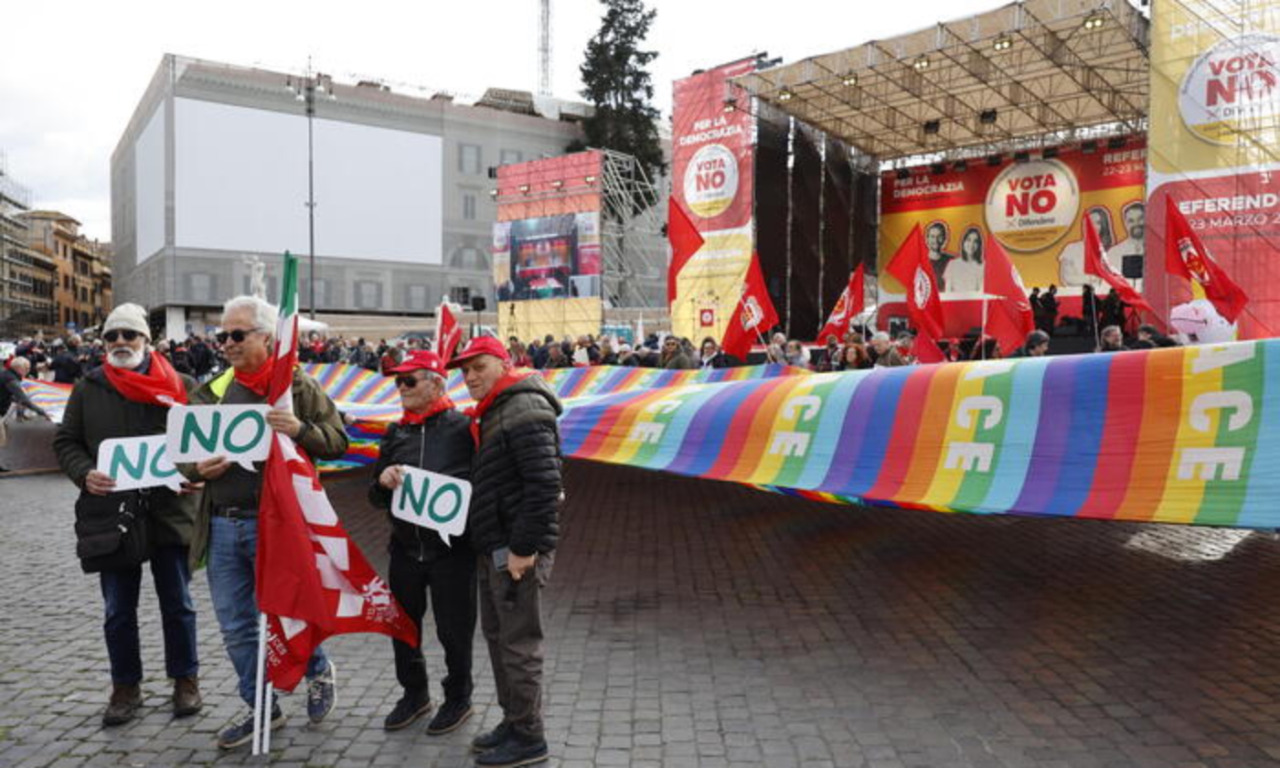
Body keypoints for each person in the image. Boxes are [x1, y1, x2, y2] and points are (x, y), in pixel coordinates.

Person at [182, 295, 349, 750]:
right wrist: (199, 470)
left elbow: (338, 441)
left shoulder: (295, 386)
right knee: (236, 625)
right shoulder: (211, 390)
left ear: (266, 337)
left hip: (278, 523)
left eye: (237, 335)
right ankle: (261, 707)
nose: (227, 344)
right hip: (221, 525)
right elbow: (182, 454)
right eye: (223, 336)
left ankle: (317, 670)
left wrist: (298, 429)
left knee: (290, 610)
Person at [52, 303, 203, 726]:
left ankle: (185, 680)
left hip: (170, 511)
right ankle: (125, 686)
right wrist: (85, 474)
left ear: (146, 341)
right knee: (118, 609)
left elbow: (201, 444)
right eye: (112, 336)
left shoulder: (183, 385)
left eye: (129, 335)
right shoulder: (89, 388)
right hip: (113, 514)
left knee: (179, 603)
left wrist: (195, 474)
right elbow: (66, 442)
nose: (120, 343)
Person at [448, 336, 562, 768]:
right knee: (499, 638)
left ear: (502, 363)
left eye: (479, 367)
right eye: (464, 371)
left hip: (516, 551)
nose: (470, 377)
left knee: (519, 643)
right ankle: (515, 721)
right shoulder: (499, 408)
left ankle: (530, 738)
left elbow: (544, 486)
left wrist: (521, 549)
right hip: (495, 545)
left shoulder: (524, 409)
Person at [369, 350, 477, 735]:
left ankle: (458, 697)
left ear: (435, 382)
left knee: (455, 631)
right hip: (404, 550)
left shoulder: (465, 428)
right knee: (403, 628)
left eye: (409, 380)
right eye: (397, 381)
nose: (401, 388)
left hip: (453, 554)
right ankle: (414, 695)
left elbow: (484, 485)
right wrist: (383, 482)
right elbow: (375, 494)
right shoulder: (395, 432)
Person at [942, 227, 984, 293]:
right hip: (955, 302)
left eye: (975, 241)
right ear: (963, 242)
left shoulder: (983, 265)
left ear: (979, 245)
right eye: (968, 240)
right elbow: (948, 291)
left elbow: (982, 291)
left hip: (976, 302)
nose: (971, 244)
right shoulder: (952, 264)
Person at [924, 221, 955, 290]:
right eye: (932, 236)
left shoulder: (952, 261)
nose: (936, 240)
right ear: (927, 239)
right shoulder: (920, 262)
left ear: (944, 239)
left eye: (939, 236)